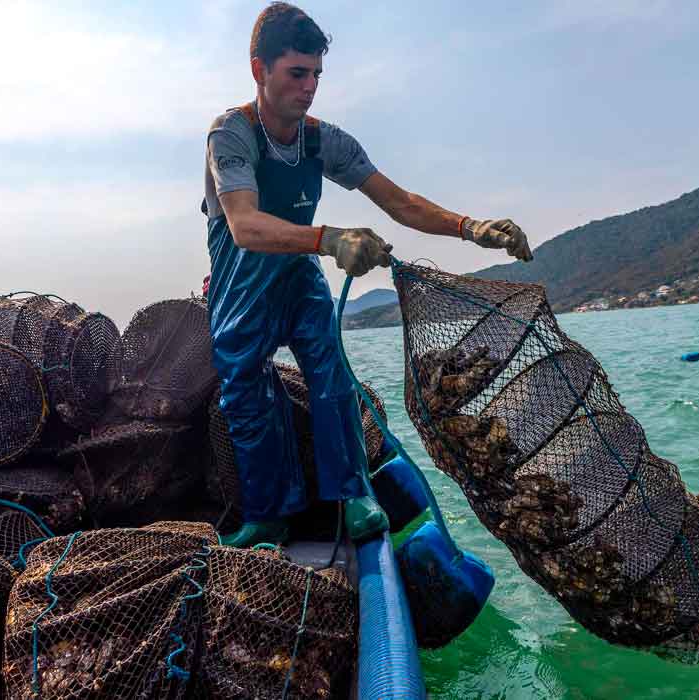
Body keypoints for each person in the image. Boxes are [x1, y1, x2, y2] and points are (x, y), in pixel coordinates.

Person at [204, 2, 533, 548]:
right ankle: (267, 513)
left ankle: (353, 494)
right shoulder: (230, 134)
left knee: (331, 376)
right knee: (245, 392)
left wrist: (471, 227)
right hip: (240, 285)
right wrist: (331, 238)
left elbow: (399, 202)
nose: (309, 88)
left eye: (316, 75)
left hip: (298, 279)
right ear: (259, 70)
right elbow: (243, 225)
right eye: (296, 73)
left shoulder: (324, 140)